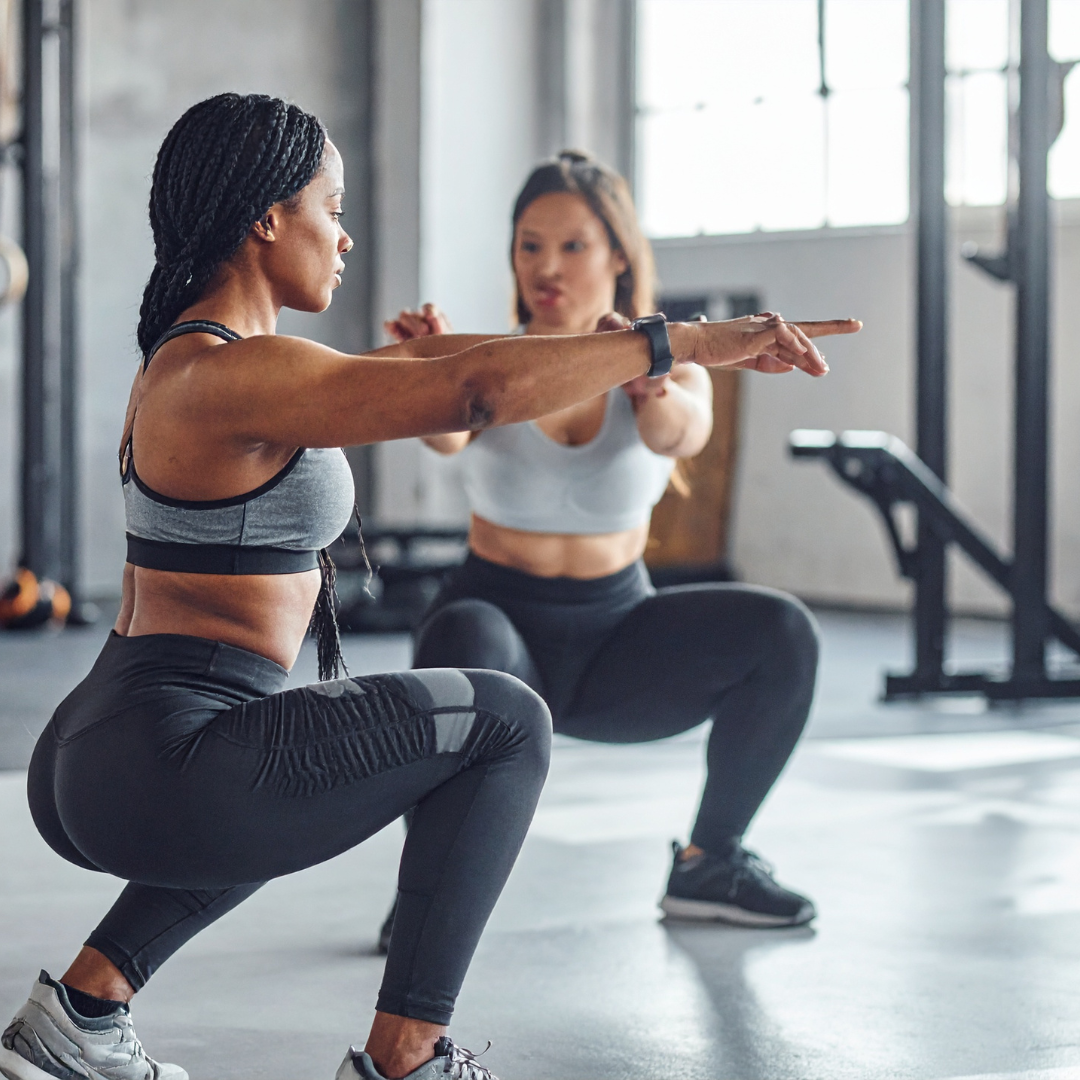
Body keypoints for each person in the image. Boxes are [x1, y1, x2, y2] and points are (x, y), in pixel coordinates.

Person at [0, 95, 853, 1080]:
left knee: (303, 762)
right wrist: (686, 342)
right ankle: (407, 1060)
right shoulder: (236, 374)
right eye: (332, 204)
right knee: (507, 722)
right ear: (269, 219)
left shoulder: (206, 362)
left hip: (122, 745)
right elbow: (472, 393)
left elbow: (432, 368)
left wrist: (648, 348)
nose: (346, 232)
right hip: (159, 755)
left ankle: (83, 1013)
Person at [376, 152, 860, 956]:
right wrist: (433, 371)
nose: (547, 268)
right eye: (530, 246)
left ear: (619, 255)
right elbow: (445, 433)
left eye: (571, 246)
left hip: (614, 639)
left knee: (783, 632)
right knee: (464, 638)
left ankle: (711, 866)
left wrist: (653, 387)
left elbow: (680, 434)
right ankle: (429, 892)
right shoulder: (490, 361)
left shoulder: (677, 362)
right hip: (499, 628)